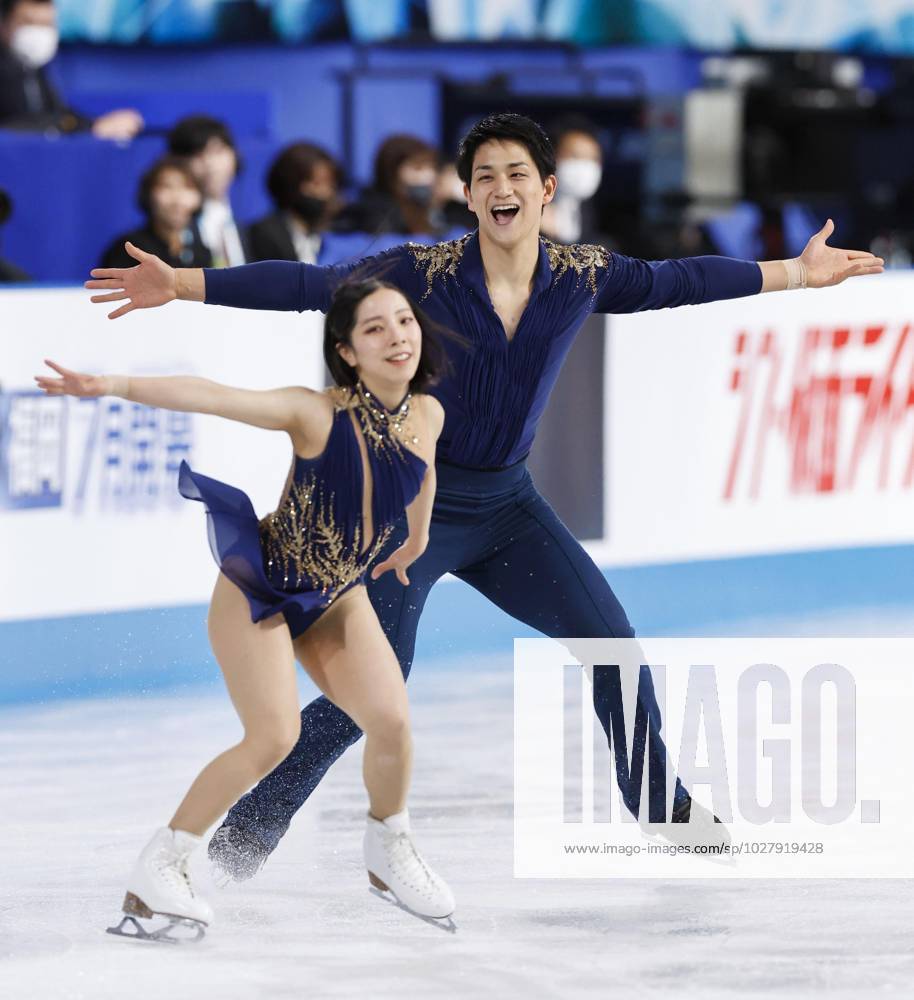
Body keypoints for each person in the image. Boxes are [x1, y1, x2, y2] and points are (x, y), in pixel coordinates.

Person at [85, 112, 883, 881]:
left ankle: (660, 805)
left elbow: (678, 281)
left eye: (517, 174)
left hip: (510, 511)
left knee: (616, 649)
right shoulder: (418, 273)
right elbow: (310, 283)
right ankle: (244, 839)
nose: (502, 187)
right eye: (485, 176)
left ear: (544, 190)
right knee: (367, 695)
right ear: (468, 195)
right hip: (410, 517)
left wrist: (795, 275)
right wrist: (182, 283)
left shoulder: (580, 275)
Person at [36, 275, 455, 939]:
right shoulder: (316, 412)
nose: (397, 337)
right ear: (347, 350)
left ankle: (387, 849)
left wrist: (418, 540)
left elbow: (422, 478)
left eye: (403, 321)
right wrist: (110, 385)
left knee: (392, 721)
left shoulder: (425, 415)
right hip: (260, 588)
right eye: (375, 328)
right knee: (275, 737)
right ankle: (162, 865)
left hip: (336, 598)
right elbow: (213, 397)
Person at [0, 0, 142, 138]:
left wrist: (96, 125)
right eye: (29, 23)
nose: (38, 33)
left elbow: (58, 114)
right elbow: (13, 126)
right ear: (4, 24)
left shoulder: (33, 69)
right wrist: (89, 128)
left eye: (47, 24)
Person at [100, 156, 212, 270]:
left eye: (187, 187)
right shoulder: (130, 249)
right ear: (149, 194)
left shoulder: (201, 252)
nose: (177, 199)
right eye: (167, 186)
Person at [168, 115, 247, 267]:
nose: (210, 163)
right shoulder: (173, 226)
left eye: (218, 151)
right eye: (198, 155)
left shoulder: (250, 227)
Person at [246, 141, 344, 264]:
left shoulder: (328, 238)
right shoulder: (264, 235)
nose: (326, 192)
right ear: (291, 185)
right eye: (317, 184)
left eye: (330, 185)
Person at [337, 133, 444, 237]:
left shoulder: (438, 214)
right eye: (417, 168)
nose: (429, 177)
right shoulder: (372, 219)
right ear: (391, 175)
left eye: (433, 168)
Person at [541, 116, 605, 246]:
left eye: (593, 159)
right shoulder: (529, 209)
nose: (585, 166)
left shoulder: (599, 216)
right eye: (575, 156)